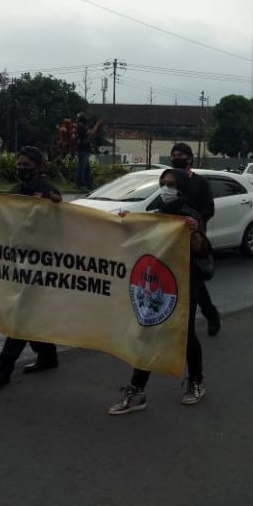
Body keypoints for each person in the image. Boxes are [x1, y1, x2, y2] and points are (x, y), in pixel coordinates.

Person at [109, 169, 210, 414]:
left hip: (184, 286)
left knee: (184, 335)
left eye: (172, 184)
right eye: (163, 183)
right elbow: (143, 236)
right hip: (157, 283)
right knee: (149, 331)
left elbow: (203, 250)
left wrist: (195, 233)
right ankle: (137, 391)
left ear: (183, 188)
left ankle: (196, 380)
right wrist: (128, 222)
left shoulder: (190, 215)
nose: (166, 188)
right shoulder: (159, 214)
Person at [0, 147, 63, 386]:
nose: (21, 169)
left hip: (40, 262)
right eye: (19, 164)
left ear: (38, 167)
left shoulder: (50, 192)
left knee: (21, 313)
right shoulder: (16, 191)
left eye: (26, 165)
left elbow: (58, 225)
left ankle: (3, 370)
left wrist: (51, 206)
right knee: (30, 313)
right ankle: (48, 356)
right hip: (18, 260)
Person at [169, 142, 221, 336]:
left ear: (189, 158)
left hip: (194, 240)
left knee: (194, 280)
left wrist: (194, 224)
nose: (176, 157)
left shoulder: (200, 183)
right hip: (172, 239)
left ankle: (209, 315)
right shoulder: (169, 182)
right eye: (173, 154)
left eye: (180, 154)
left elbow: (209, 209)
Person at [75, 113, 102, 192]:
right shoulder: (81, 126)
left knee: (86, 168)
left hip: (83, 149)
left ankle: (89, 184)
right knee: (82, 168)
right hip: (83, 149)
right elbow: (91, 132)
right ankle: (81, 184)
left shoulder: (79, 126)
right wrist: (97, 124)